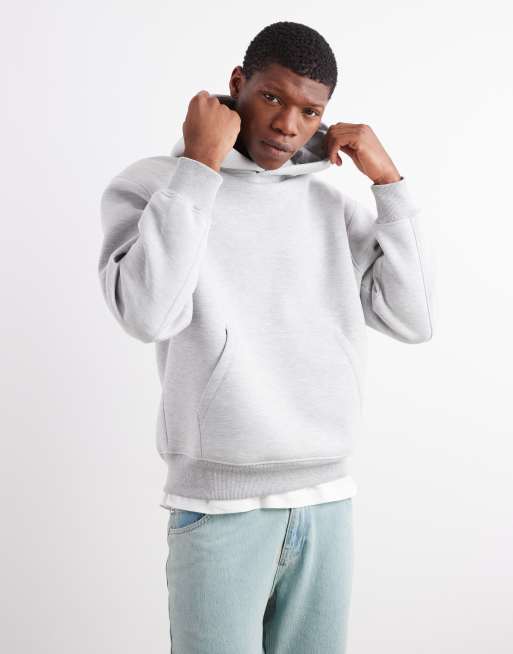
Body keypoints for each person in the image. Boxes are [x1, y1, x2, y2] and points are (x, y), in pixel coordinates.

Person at [98, 20, 435, 654]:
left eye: (311, 112)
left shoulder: (332, 201)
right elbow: (146, 314)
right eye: (273, 97)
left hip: (326, 503)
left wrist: (390, 185)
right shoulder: (155, 186)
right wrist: (198, 168)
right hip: (217, 509)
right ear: (238, 84)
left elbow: (414, 318)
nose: (287, 125)